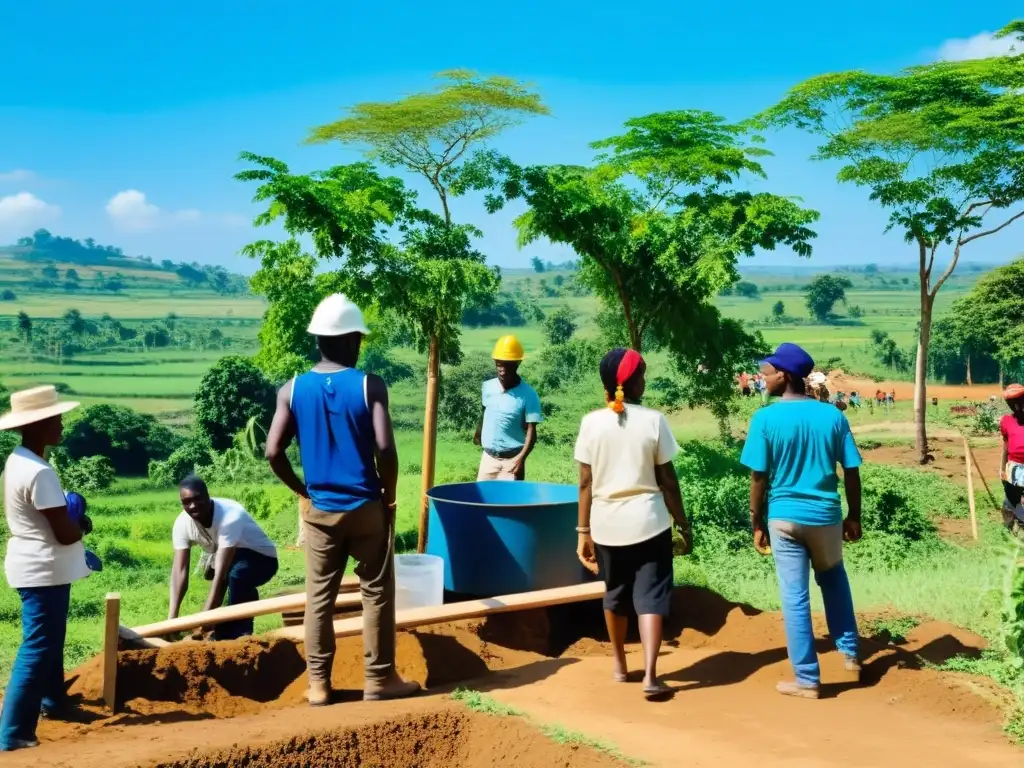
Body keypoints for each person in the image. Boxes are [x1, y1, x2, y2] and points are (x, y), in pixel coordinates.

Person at [265, 293, 419, 707]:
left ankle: (318, 684)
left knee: (319, 598)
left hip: (320, 511)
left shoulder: (291, 390)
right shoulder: (370, 385)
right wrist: (387, 497)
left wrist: (303, 490)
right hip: (366, 506)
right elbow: (385, 450)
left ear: (318, 340)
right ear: (353, 340)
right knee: (376, 593)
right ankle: (379, 680)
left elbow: (272, 453)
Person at [740, 343, 863, 700]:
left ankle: (807, 679)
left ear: (785, 375)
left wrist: (756, 521)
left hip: (784, 517)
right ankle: (851, 653)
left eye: (766, 374)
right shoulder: (833, 417)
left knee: (794, 596)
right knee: (834, 577)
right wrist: (853, 515)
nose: (762, 380)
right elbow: (851, 471)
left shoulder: (765, 419)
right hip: (825, 515)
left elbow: (758, 478)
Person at [574, 348, 692, 700]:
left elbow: (585, 482)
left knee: (615, 594)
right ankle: (652, 675)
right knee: (651, 596)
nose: (645, 379)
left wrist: (583, 532)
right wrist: (682, 523)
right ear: (629, 382)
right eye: (642, 374)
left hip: (607, 525)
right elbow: (668, 481)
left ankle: (620, 666)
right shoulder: (654, 421)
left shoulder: (590, 423)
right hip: (650, 523)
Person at [0, 385, 91, 752]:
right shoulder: (40, 472)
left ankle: (55, 702)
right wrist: (83, 522)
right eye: (55, 418)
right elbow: (66, 533)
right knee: (38, 645)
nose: (61, 424)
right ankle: (13, 731)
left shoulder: (17, 460)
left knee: (50, 639)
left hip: (36, 565)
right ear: (37, 425)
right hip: (43, 568)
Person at [168, 475, 279, 639]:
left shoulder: (230, 515)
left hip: (262, 558)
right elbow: (180, 572)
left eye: (198, 499)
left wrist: (205, 617)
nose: (192, 506)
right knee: (226, 576)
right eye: (186, 502)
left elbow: (221, 574)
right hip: (228, 555)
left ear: (208, 496)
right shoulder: (182, 523)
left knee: (237, 576)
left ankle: (237, 633)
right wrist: (172, 621)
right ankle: (223, 620)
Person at [473, 335, 543, 481]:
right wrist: (479, 431)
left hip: (513, 460)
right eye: (499, 364)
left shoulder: (529, 395)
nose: (502, 370)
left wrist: (521, 459)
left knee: (510, 503)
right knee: (482, 501)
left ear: (517, 364)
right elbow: (485, 410)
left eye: (507, 365)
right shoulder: (487, 387)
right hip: (488, 458)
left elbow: (531, 431)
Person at [999, 384, 1024, 531]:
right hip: (1014, 467)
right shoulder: (1006, 421)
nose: (1016, 406)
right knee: (1012, 501)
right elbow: (1005, 447)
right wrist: (1001, 469)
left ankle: (1021, 522)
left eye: (1019, 401)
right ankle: (1009, 525)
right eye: (1013, 403)